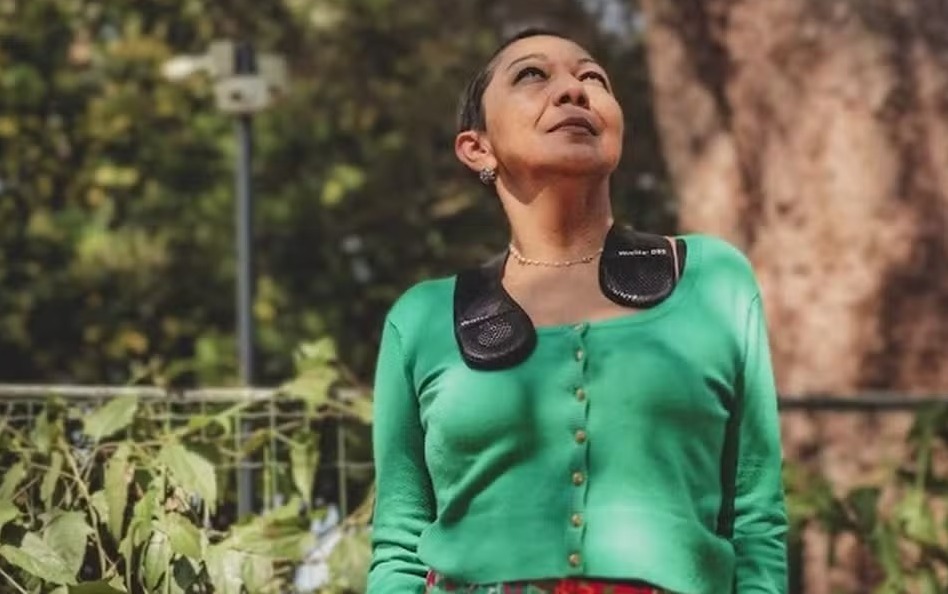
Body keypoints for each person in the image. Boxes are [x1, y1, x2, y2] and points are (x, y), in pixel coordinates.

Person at [367, 28, 787, 594]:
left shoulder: (714, 281)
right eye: (532, 75)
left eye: (593, 78)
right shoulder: (422, 320)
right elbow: (399, 544)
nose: (573, 90)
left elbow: (756, 518)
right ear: (477, 147)